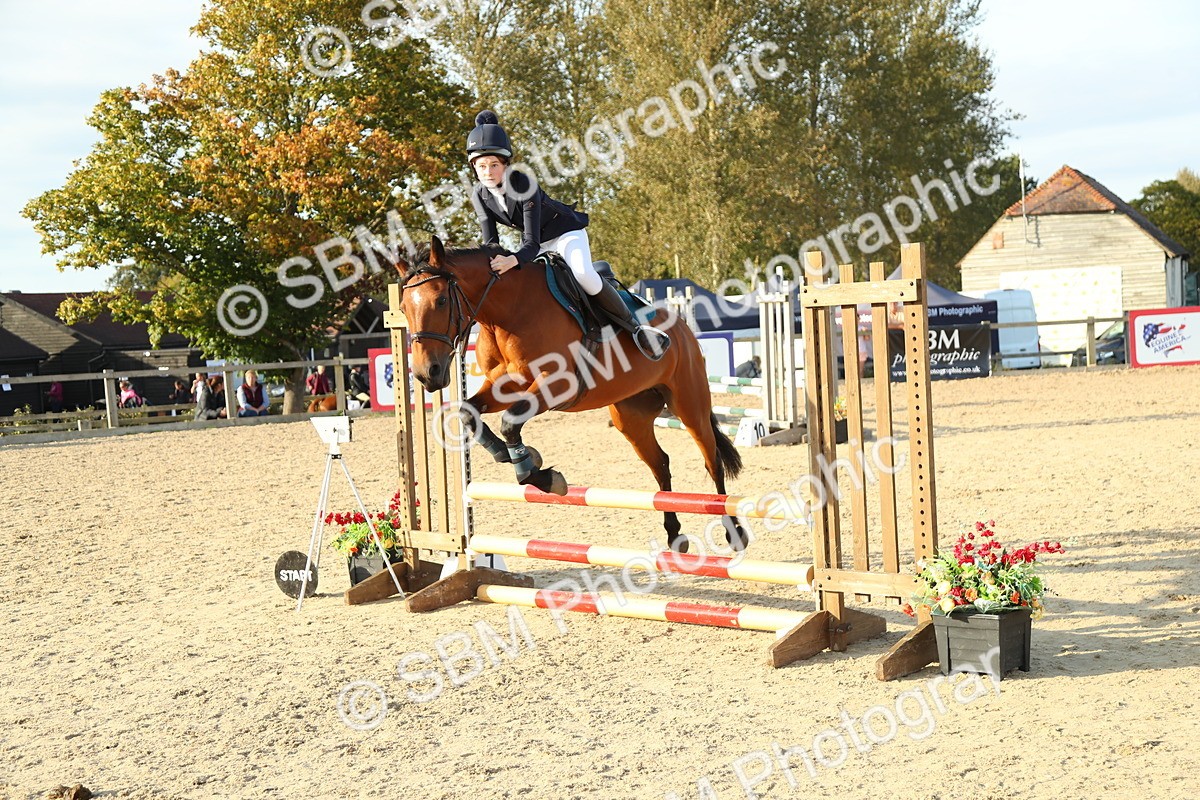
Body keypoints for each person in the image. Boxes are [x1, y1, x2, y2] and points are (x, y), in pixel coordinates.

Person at [466, 110, 670, 359]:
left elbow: (529, 243)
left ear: (506, 165)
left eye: (494, 165)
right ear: (474, 167)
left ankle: (637, 329)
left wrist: (513, 260)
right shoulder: (479, 194)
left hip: (564, 233)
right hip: (538, 244)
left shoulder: (524, 184)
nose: (488, 172)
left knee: (583, 274)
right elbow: (491, 243)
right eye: (482, 166)